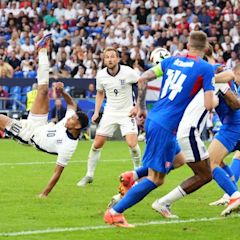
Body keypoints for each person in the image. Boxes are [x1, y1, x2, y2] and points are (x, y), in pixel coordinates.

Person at [104, 31, 216, 227]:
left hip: (156, 119)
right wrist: (214, 98)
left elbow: (142, 78)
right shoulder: (205, 68)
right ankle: (115, 212)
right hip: (166, 126)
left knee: (179, 160)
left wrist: (140, 105)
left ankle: (134, 175)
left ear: (187, 45)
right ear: (205, 49)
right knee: (156, 179)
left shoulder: (170, 60)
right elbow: (208, 105)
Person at [0, 34, 89, 198]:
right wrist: (62, 92)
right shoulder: (69, 123)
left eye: (72, 119)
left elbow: (57, 173)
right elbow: (71, 105)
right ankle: (41, 49)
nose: (68, 118)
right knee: (43, 90)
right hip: (40, 123)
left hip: (28, 135)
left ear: (77, 126)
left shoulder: (69, 146)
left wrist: (44, 194)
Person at [77, 47, 141, 187]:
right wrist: (96, 112)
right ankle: (89, 175)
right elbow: (100, 93)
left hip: (127, 112)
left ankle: (138, 174)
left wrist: (137, 106)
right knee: (97, 144)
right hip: (110, 112)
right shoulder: (100, 75)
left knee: (132, 144)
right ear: (104, 60)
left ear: (117, 58)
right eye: (107, 57)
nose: (110, 59)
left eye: (113, 56)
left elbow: (141, 85)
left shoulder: (128, 72)